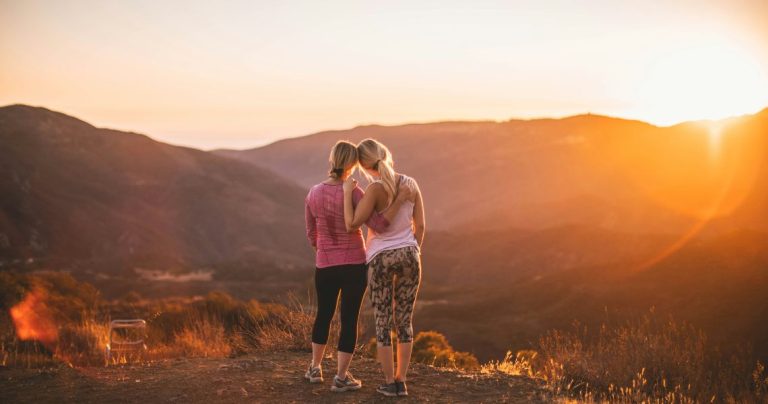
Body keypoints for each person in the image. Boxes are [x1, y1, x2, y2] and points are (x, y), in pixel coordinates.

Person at [304, 140, 411, 393]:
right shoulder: (355, 193)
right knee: (348, 319)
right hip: (354, 264)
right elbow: (379, 225)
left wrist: (323, 250)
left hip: (325, 264)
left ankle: (315, 368)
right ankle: (341, 377)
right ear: (353, 164)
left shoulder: (314, 193)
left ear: (332, 161)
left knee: (324, 314)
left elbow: (310, 232)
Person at [342, 138, 425, 397]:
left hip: (380, 259)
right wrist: (414, 250)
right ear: (386, 154)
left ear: (365, 167)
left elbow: (355, 223)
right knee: (404, 320)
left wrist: (347, 194)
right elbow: (420, 226)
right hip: (410, 255)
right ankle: (402, 380)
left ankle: (390, 382)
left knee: (383, 321)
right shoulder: (410, 184)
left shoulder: (375, 190)